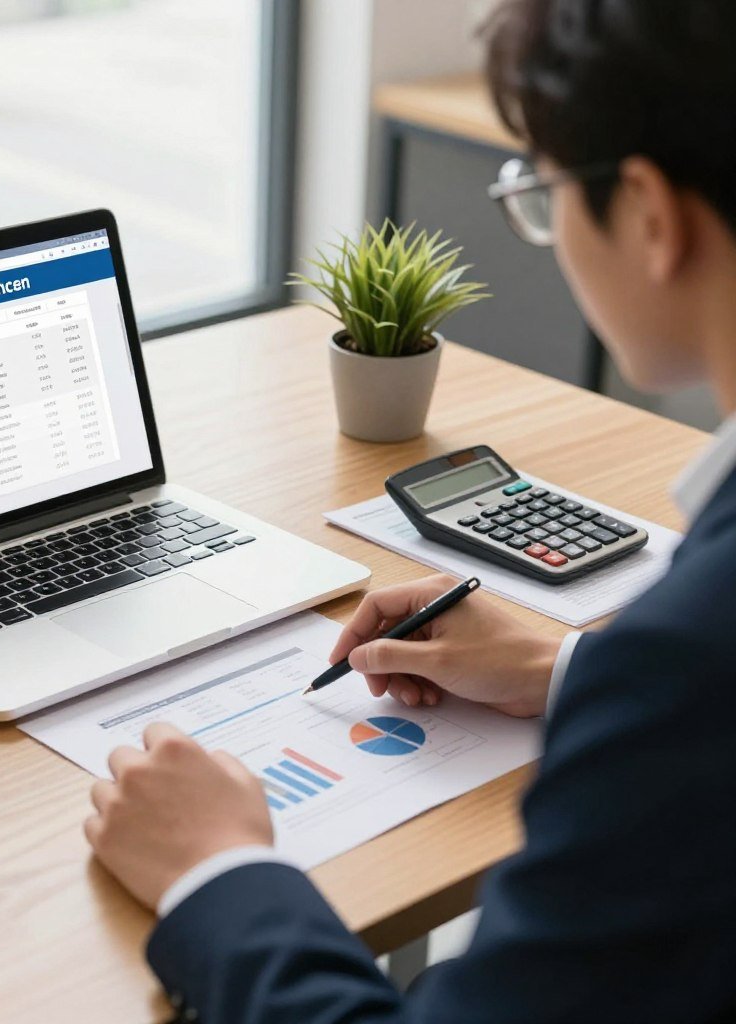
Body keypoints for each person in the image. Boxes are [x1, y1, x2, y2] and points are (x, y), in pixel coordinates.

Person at [82, 1, 736, 1019]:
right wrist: (563, 667)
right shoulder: (681, 659)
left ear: (649, 214)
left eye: (544, 192)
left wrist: (214, 870)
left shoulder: (687, 658)